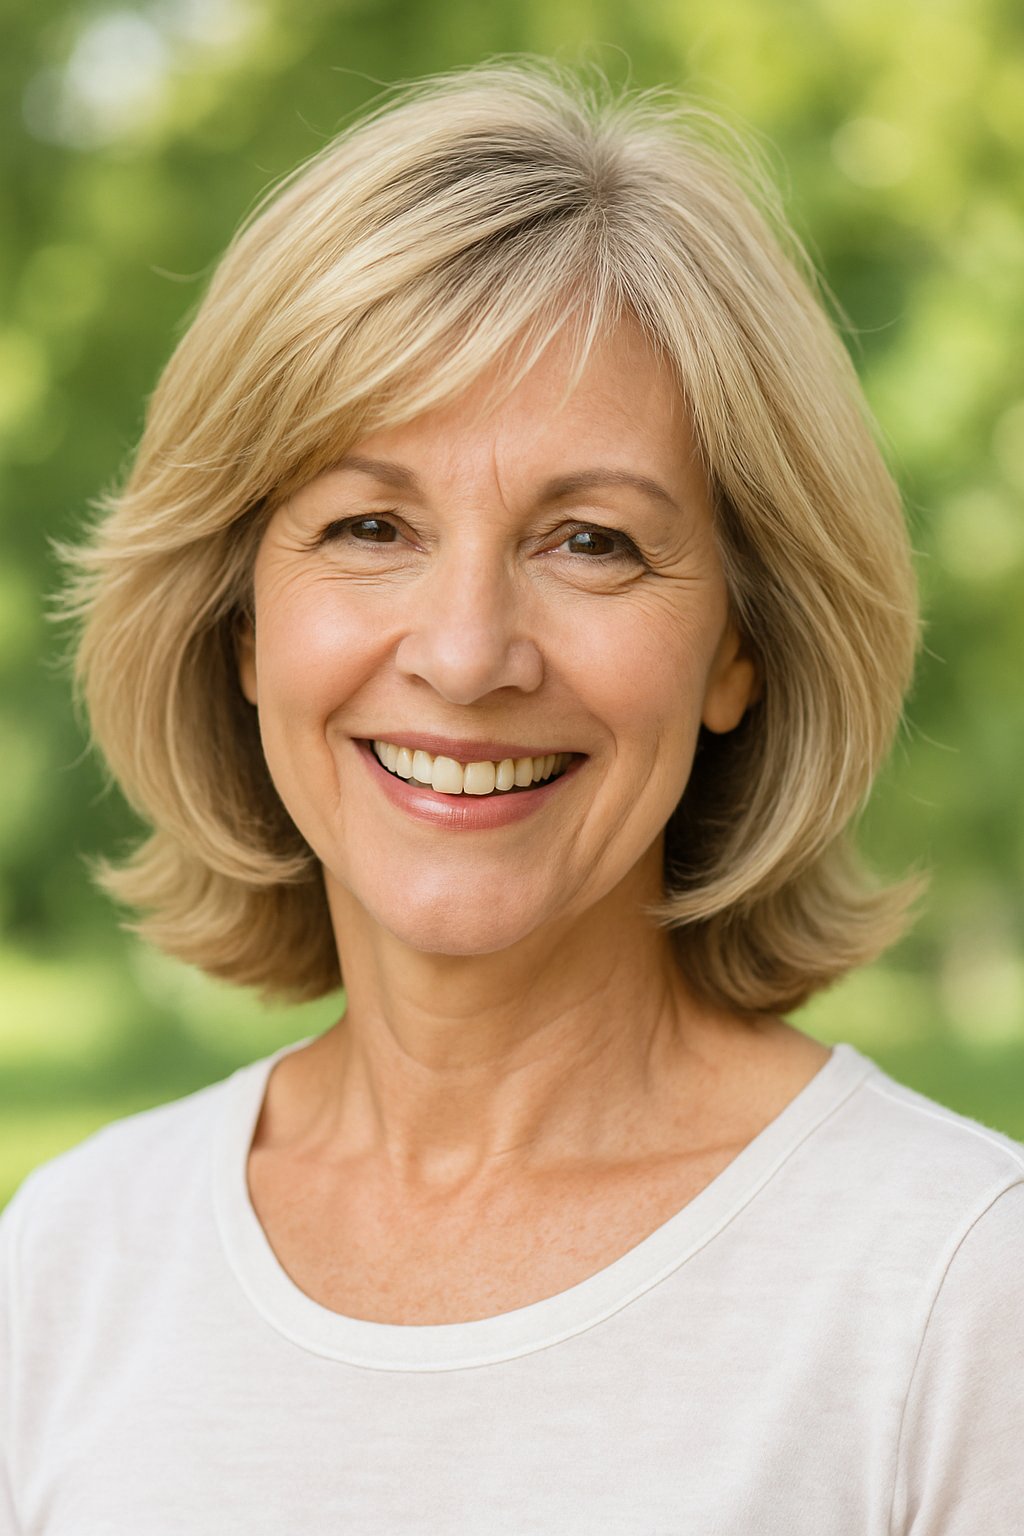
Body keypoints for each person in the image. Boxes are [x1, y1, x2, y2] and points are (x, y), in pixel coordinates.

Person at [1, 58, 1021, 1535]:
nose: (468, 654)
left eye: (593, 541)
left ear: (740, 643)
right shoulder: (70, 1269)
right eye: (369, 525)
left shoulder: (949, 1299)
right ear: (239, 625)